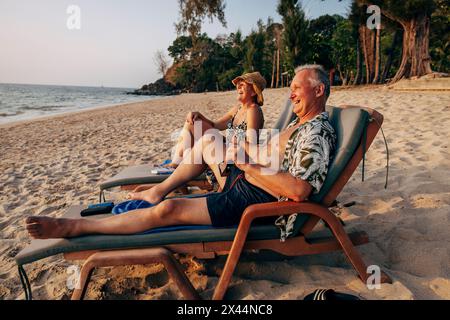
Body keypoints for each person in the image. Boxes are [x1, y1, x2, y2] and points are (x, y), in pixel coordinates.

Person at [25, 65, 336, 240]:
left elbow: (299, 190)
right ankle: (161, 188)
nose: (291, 92)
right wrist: (247, 154)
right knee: (206, 148)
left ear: (319, 90)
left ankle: (74, 227)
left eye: (297, 87)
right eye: (292, 87)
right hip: (247, 182)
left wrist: (246, 162)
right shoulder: (300, 123)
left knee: (168, 212)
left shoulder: (316, 131)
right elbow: (272, 158)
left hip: (254, 201)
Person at [163, 72, 267, 169]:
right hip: (228, 147)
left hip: (237, 155)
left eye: (243, 85)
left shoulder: (253, 111)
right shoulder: (237, 109)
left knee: (206, 139)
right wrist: (199, 116)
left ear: (254, 91)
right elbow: (215, 125)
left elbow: (251, 145)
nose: (238, 86)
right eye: (238, 84)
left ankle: (176, 165)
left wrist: (230, 141)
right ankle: (176, 163)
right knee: (193, 123)